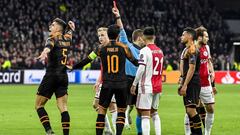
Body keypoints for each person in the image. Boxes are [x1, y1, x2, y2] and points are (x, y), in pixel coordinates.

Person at [71, 24, 138, 135]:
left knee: (101, 110)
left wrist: (73, 67)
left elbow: (87, 60)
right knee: (121, 111)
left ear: (108, 34)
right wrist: (143, 63)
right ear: (117, 35)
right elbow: (134, 62)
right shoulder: (124, 47)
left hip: (107, 84)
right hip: (121, 84)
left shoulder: (100, 48)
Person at [35, 18, 75, 135]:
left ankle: (49, 131)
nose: (50, 27)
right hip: (63, 76)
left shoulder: (52, 38)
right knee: (63, 107)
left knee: (38, 105)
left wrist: (44, 53)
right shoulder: (67, 39)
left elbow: (48, 46)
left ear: (58, 28)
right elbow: (69, 34)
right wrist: (71, 29)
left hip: (51, 76)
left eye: (52, 25)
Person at [112, 5, 145, 133]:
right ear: (139, 38)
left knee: (140, 109)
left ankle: (139, 131)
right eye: (144, 39)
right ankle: (122, 122)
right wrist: (118, 15)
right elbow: (121, 28)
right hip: (126, 80)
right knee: (122, 107)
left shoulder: (145, 51)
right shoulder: (127, 45)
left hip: (138, 81)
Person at [184, 26, 217, 135]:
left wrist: (212, 71)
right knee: (191, 110)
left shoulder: (207, 48)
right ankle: (188, 132)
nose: (208, 38)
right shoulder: (191, 49)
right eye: (206, 36)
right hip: (194, 84)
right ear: (199, 37)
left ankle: (207, 132)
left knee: (211, 108)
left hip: (206, 83)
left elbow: (209, 61)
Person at [131, 27, 164, 135]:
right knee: (154, 113)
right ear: (154, 37)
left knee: (145, 114)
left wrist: (134, 84)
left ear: (144, 37)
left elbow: (141, 69)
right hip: (158, 86)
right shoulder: (160, 51)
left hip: (146, 86)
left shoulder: (144, 51)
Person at [93, 27, 117, 135]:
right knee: (96, 105)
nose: (100, 38)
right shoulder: (101, 48)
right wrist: (98, 81)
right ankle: (108, 129)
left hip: (111, 81)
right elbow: (103, 68)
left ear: (109, 36)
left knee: (111, 106)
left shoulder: (112, 48)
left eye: (103, 35)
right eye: (99, 36)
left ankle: (114, 130)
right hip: (104, 81)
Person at [178, 27, 202, 135]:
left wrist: (185, 85)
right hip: (188, 81)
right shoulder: (186, 49)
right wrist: (181, 78)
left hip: (192, 82)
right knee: (188, 111)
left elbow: (192, 68)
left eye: (183, 35)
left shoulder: (192, 49)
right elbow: (185, 66)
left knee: (192, 111)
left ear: (190, 36)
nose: (181, 37)